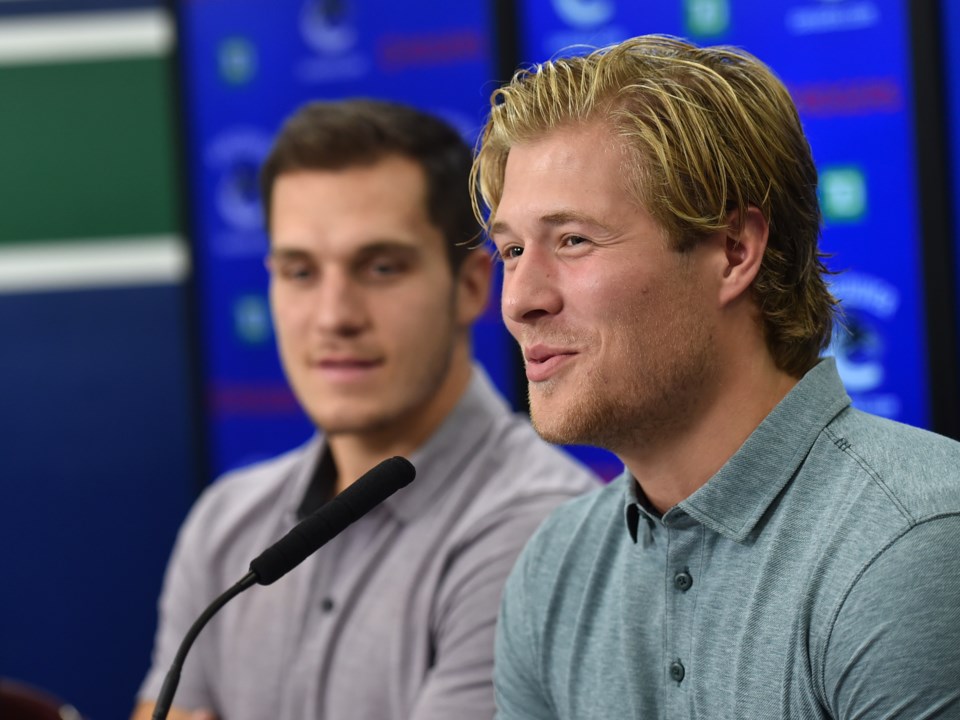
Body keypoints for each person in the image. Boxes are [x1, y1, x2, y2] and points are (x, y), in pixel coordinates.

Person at [471, 34, 960, 719]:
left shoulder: (915, 543)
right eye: (513, 250)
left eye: (572, 240)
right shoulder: (555, 567)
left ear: (733, 252)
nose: (520, 300)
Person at [132, 99, 598, 720]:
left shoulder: (541, 526)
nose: (334, 317)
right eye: (300, 272)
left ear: (470, 288)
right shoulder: (225, 526)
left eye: (380, 267)